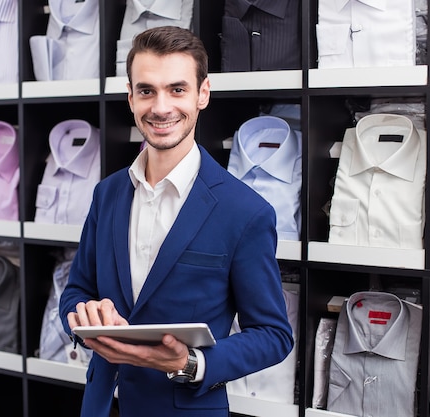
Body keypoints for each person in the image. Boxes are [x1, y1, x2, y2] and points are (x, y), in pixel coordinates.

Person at [59, 25, 293, 417]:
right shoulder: (107, 194)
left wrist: (188, 363)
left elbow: (273, 335)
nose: (161, 107)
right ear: (131, 97)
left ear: (203, 94)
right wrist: (83, 316)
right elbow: (76, 290)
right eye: (147, 90)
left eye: (177, 89)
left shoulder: (245, 211)